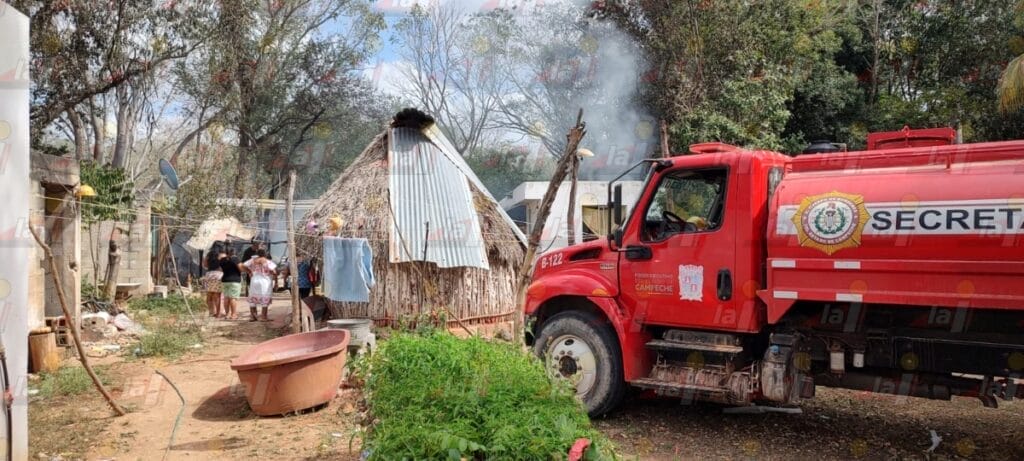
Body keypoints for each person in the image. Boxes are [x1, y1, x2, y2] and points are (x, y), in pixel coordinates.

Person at [242, 249, 277, 322]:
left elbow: (243, 266)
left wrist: (249, 272)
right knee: (265, 298)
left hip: (254, 280)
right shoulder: (267, 261)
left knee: (253, 299)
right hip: (265, 282)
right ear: (265, 254)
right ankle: (263, 317)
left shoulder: (252, 260)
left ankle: (253, 316)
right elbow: (274, 271)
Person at [200, 243, 226, 317]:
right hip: (219, 275)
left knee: (209, 295)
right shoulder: (222, 255)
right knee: (217, 295)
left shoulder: (209, 255)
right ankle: (218, 313)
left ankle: (211, 312)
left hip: (209, 275)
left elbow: (204, 265)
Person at [219, 248, 244, 320]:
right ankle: (233, 315)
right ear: (234, 253)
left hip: (225, 280)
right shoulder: (235, 259)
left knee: (226, 298)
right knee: (233, 298)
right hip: (234, 281)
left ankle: (227, 314)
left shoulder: (222, 260)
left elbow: (220, 269)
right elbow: (241, 268)